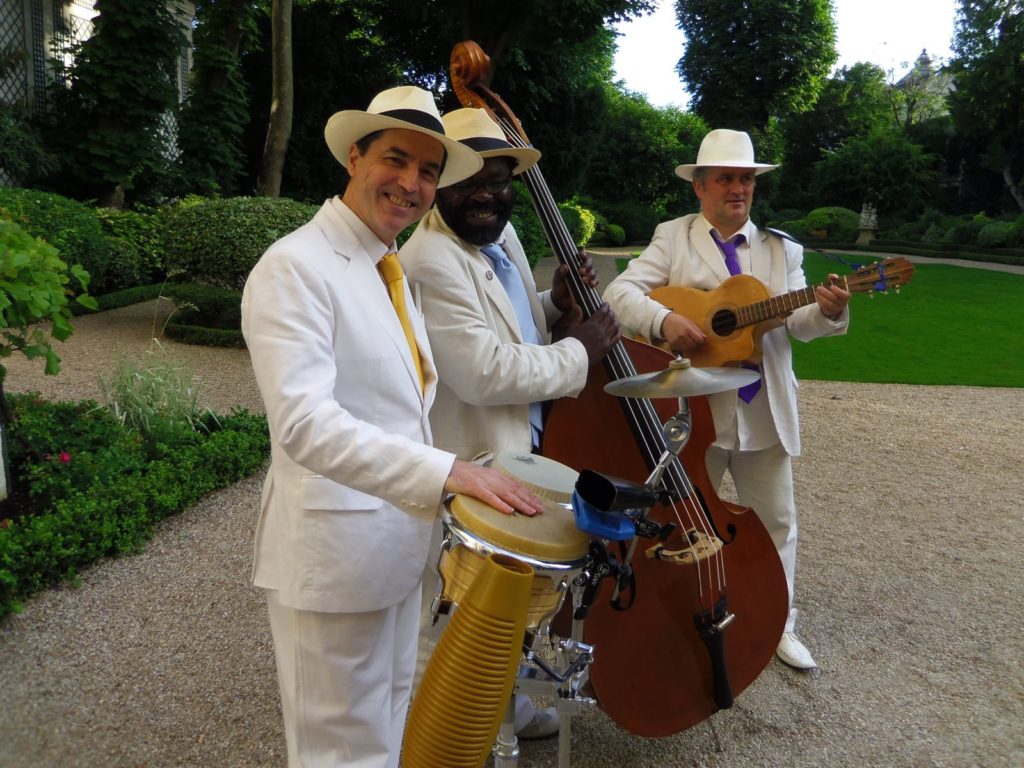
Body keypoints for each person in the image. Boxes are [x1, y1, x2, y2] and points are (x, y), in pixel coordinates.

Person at [241, 86, 546, 768]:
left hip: (398, 554)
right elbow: (305, 423)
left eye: (429, 171)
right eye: (396, 160)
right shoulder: (295, 267)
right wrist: (447, 472)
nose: (410, 183)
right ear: (356, 157)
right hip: (334, 563)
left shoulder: (389, 265)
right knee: (339, 754)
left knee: (384, 740)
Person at [399, 107, 620, 737]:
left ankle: (505, 710)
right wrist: (581, 349)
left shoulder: (501, 236)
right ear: (439, 185)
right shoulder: (431, 259)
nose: (488, 194)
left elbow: (518, 319)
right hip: (472, 456)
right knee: (454, 610)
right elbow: (482, 369)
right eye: (470, 181)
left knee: (506, 604)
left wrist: (558, 304)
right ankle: (434, 732)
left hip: (518, 445)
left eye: (500, 180)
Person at [602, 128, 850, 671]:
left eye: (745, 179)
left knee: (777, 520)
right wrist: (664, 318)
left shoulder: (781, 248)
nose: (737, 188)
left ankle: (780, 624)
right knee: (689, 524)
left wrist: (828, 310)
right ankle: (689, 619)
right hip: (694, 414)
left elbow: (800, 325)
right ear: (700, 186)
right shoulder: (673, 236)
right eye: (726, 179)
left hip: (762, 409)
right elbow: (619, 294)